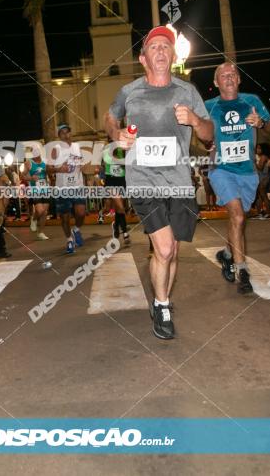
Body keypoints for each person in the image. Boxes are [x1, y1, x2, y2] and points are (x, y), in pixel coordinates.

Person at [105, 25, 214, 340]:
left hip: (178, 182)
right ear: (143, 58)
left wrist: (195, 121)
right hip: (144, 180)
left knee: (172, 251)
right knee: (164, 248)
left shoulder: (188, 92)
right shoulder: (130, 92)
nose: (161, 51)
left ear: (174, 55)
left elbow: (208, 134)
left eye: (166, 46)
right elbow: (110, 118)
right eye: (154, 47)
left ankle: (159, 295)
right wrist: (117, 134)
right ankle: (163, 305)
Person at [205, 61, 270, 295]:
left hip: (247, 172)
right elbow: (198, 133)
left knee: (239, 219)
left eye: (232, 74)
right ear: (216, 82)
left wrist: (262, 123)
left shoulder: (251, 101)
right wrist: (206, 143)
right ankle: (242, 271)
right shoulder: (209, 106)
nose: (228, 77)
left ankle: (226, 255)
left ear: (239, 79)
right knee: (236, 215)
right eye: (223, 75)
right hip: (221, 169)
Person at [48, 124, 86, 254]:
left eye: (67, 132)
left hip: (77, 186)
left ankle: (76, 229)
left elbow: (81, 164)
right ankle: (69, 239)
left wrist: (81, 167)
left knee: (81, 213)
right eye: (62, 133)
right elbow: (48, 168)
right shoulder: (56, 149)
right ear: (59, 136)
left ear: (71, 133)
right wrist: (59, 169)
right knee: (64, 218)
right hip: (62, 188)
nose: (65, 135)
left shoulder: (77, 147)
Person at [103, 144, 130, 244]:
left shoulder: (122, 150)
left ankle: (116, 227)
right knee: (120, 207)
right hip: (111, 180)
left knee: (119, 208)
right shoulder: (106, 150)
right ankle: (125, 232)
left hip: (121, 180)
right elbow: (109, 161)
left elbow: (126, 165)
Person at [23, 145, 50, 241]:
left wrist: (49, 180)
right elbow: (23, 176)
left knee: (45, 212)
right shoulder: (29, 163)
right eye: (34, 153)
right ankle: (34, 219)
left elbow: (48, 174)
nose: (36, 156)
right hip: (35, 189)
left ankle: (41, 232)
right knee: (40, 210)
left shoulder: (45, 162)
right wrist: (31, 178)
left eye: (37, 153)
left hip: (45, 189)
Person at [253, 143, 270, 219]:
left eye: (259, 148)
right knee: (259, 196)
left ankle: (268, 213)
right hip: (260, 177)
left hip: (263, 178)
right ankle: (259, 213)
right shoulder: (261, 157)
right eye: (257, 148)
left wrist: (254, 162)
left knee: (263, 196)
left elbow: (260, 168)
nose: (257, 150)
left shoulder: (264, 157)